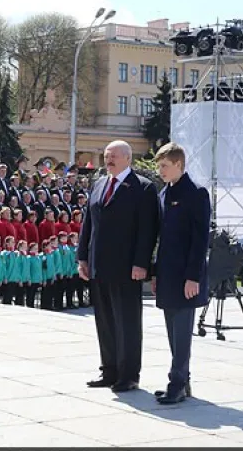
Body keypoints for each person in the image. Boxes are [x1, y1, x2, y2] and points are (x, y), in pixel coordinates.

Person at [78, 140, 160, 393]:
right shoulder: (100, 183)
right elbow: (88, 223)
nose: (108, 160)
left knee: (127, 322)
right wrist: (82, 257)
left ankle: (128, 374)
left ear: (127, 158)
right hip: (99, 265)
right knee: (104, 321)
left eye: (113, 156)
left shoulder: (143, 188)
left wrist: (141, 263)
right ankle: (109, 370)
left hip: (127, 268)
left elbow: (148, 230)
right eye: (106, 156)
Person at [150, 143, 210, 404]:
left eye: (164, 165)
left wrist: (193, 277)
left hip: (186, 275)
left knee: (182, 331)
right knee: (172, 330)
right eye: (159, 165)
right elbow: (161, 239)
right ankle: (182, 381)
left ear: (178, 165)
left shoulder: (196, 193)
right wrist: (155, 273)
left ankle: (177, 382)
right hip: (167, 273)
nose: (160, 170)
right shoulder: (164, 193)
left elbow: (200, 239)